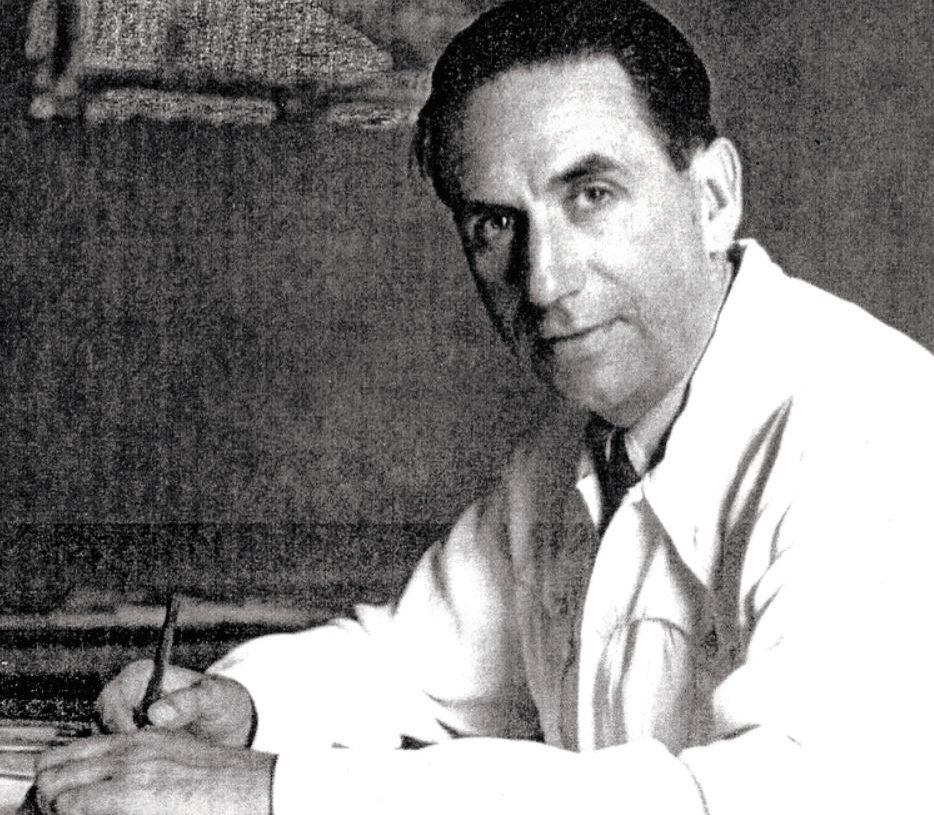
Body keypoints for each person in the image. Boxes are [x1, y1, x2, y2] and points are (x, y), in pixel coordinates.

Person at [34, 0, 934, 813]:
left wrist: (276, 790)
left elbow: (792, 794)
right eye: (496, 223)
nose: (542, 280)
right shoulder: (580, 443)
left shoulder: (873, 424)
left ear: (712, 198)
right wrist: (244, 707)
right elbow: (412, 667)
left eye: (591, 195)